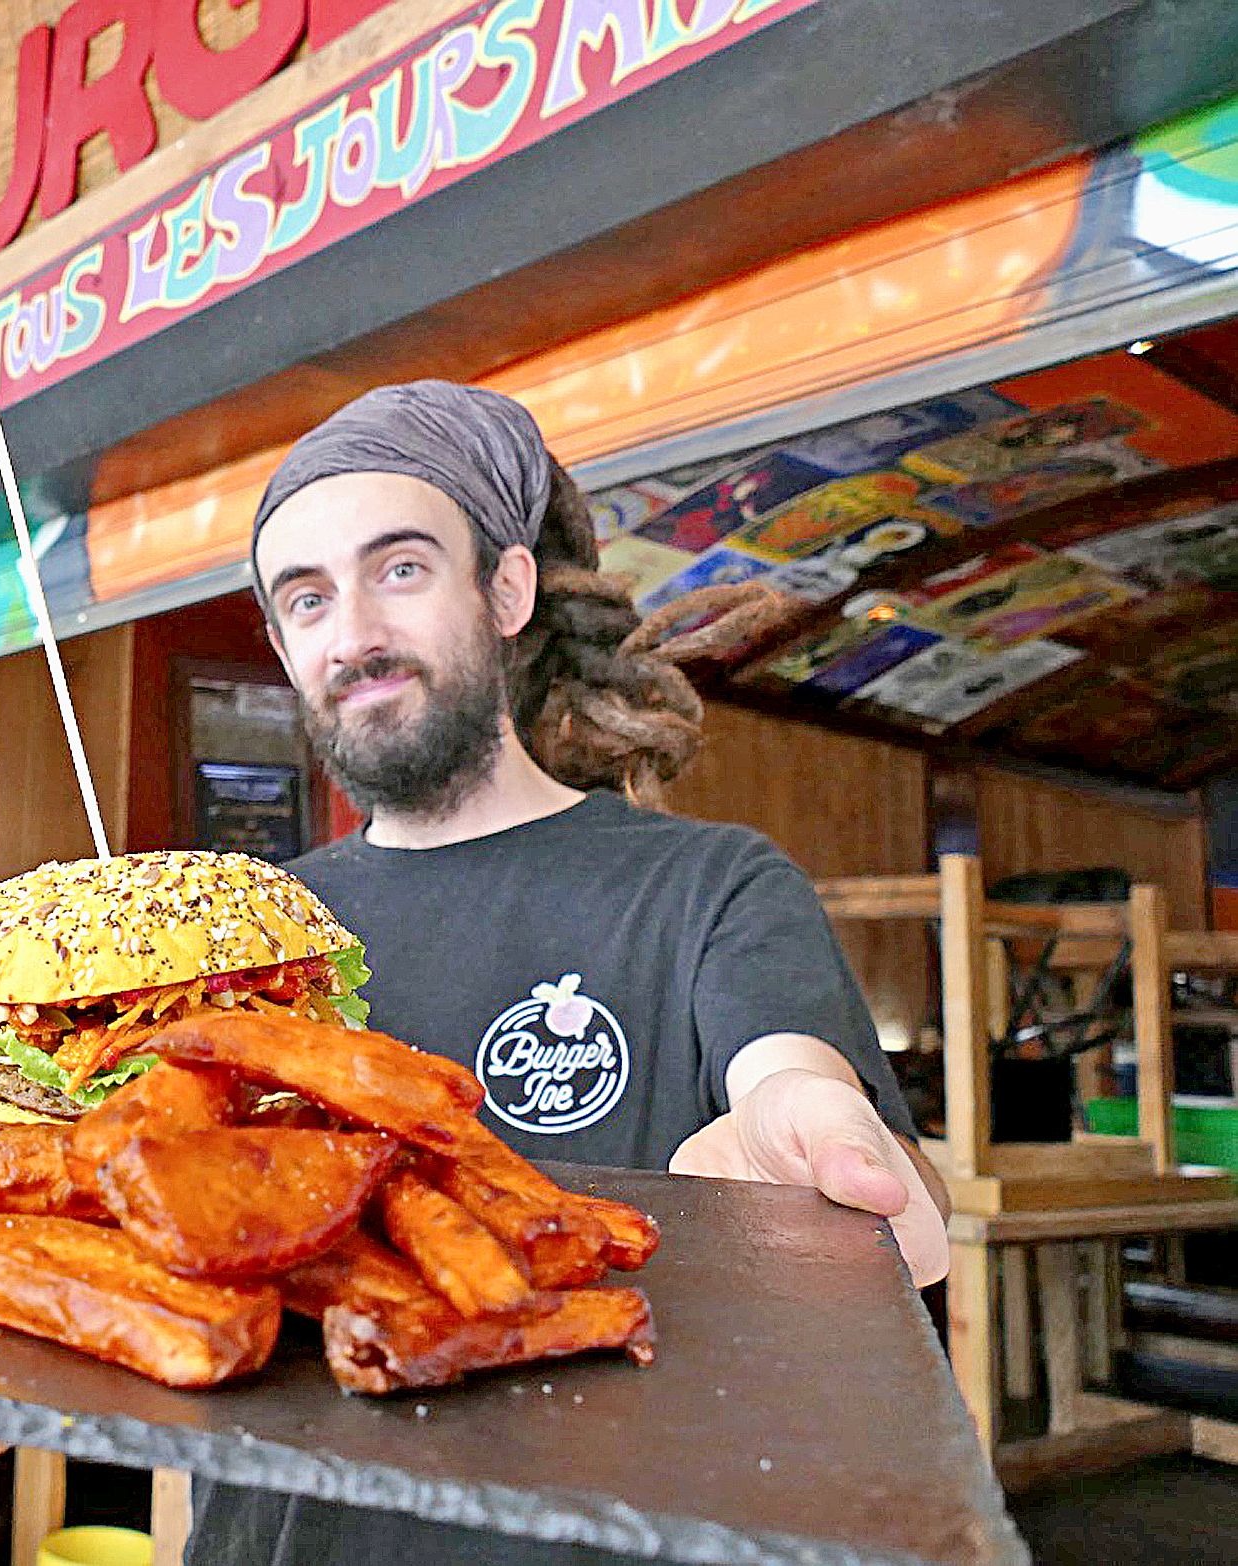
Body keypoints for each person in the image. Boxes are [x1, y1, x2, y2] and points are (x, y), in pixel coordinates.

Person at [189, 381, 950, 1564]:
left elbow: (821, 1116)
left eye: (398, 569)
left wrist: (815, 1160)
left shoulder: (708, 889)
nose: (353, 633)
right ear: (283, 645)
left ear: (505, 589)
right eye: (306, 597)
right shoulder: (244, 936)